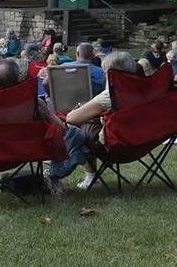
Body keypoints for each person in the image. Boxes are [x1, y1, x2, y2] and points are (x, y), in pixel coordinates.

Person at [50, 51, 136, 193]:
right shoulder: (142, 91)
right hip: (139, 141)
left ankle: (83, 175)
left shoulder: (109, 96)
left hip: (115, 145)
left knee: (78, 129)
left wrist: (80, 109)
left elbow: (71, 118)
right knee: (88, 123)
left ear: (109, 74)